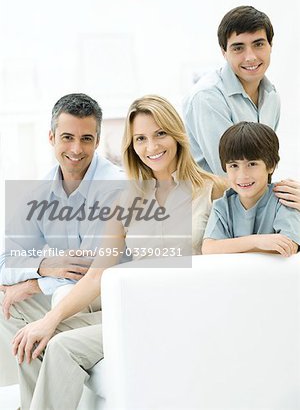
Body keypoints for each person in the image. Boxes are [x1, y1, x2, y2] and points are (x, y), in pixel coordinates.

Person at [11, 95, 226, 409]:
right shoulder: (126, 199)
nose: (151, 146)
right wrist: (49, 319)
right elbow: (97, 273)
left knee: (61, 347)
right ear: (132, 145)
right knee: (30, 338)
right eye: (141, 138)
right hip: (136, 309)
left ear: (177, 134)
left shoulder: (214, 188)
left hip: (182, 313)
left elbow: (261, 206)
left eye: (160, 134)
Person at [0, 93, 124, 392]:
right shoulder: (39, 192)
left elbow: (90, 271)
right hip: (70, 292)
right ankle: (34, 401)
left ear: (97, 142)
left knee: (30, 297)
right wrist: (44, 265)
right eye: (67, 137)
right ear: (51, 137)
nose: (76, 149)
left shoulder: (114, 186)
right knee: (5, 300)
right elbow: (6, 261)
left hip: (105, 297)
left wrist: (34, 283)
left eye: (86, 139)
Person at [182, 5, 300, 210]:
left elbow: (265, 166)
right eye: (238, 48)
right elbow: (234, 176)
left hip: (253, 206)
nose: (251, 57)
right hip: (214, 213)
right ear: (224, 52)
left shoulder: (272, 97)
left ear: (270, 45)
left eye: (258, 44)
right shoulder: (208, 98)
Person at [202, 122, 300, 255]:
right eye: (234, 165)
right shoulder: (223, 205)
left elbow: (288, 247)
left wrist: (231, 247)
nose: (242, 175)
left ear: (271, 165)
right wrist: (257, 241)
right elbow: (209, 249)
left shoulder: (283, 199)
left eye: (252, 164)